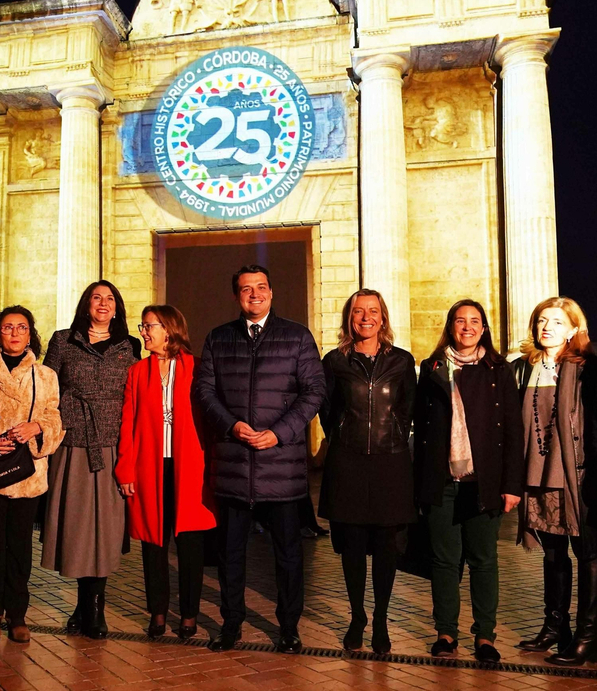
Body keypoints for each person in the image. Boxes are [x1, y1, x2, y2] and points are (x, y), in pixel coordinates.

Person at [194, 264, 326, 653]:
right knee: (230, 555)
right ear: (237, 295)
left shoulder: (297, 337)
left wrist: (280, 432)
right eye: (246, 289)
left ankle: (288, 628)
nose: (255, 294)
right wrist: (231, 425)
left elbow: (314, 392)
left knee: (287, 557)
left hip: (281, 469)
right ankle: (231, 624)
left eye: (261, 287)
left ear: (272, 292)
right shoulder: (219, 338)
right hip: (234, 465)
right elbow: (204, 391)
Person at [412, 300, 524, 662]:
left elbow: (512, 430)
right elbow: (420, 426)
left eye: (475, 321)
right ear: (450, 327)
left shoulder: (498, 369)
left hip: (484, 480)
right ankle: (446, 632)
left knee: (483, 560)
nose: (467, 327)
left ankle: (486, 636)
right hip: (442, 479)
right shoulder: (431, 368)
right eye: (460, 321)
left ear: (484, 328)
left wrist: (512, 485)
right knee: (444, 562)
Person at [512, 297, 597, 666]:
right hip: (538, 473)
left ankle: (589, 638)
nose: (546, 327)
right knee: (553, 553)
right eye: (541, 321)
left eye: (555, 321)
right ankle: (556, 627)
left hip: (579, 474)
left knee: (588, 553)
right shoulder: (525, 369)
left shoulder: (589, 368)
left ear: (573, 328)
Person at [42, 281, 142, 638]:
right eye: (97, 298)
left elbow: (137, 396)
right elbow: (46, 390)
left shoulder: (130, 346)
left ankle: (94, 609)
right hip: (73, 444)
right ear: (86, 304)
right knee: (78, 528)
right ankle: (84, 605)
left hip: (113, 444)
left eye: (110, 299)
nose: (103, 303)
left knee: (105, 531)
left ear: (117, 308)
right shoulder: (62, 340)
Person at [318, 289, 415, 654]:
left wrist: (390, 437)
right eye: (359, 311)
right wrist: (345, 436)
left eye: (373, 311)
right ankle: (357, 616)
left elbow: (407, 410)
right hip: (349, 462)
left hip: (391, 464)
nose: (366, 318)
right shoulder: (334, 362)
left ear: (383, 317)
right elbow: (327, 410)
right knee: (354, 547)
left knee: (387, 548)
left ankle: (381, 619)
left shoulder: (403, 361)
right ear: (349, 317)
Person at [116, 305, 214, 640]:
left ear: (168, 329)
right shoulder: (137, 372)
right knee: (153, 542)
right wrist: (125, 469)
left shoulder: (196, 367)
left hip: (190, 467)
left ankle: (189, 614)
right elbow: (127, 424)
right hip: (149, 467)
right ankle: (157, 611)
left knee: (190, 542)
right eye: (142, 326)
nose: (142, 331)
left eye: (148, 326)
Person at [0, 306, 63, 644]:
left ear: (30, 333)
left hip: (27, 475)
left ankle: (18, 615)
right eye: (8, 327)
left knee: (20, 547)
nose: (14, 334)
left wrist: (37, 426)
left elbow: (55, 419)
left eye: (21, 328)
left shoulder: (45, 376)